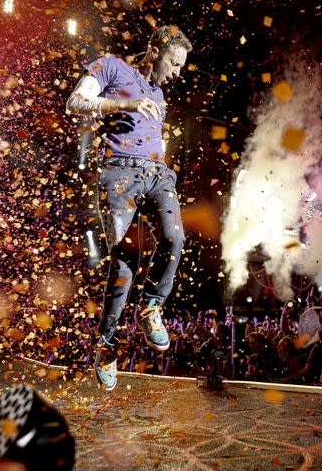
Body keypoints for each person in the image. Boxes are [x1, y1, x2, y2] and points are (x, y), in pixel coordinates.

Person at [66, 25, 192, 390]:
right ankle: (106, 344)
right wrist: (125, 103)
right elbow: (75, 103)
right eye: (175, 62)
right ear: (155, 48)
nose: (178, 72)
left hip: (158, 174)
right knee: (126, 261)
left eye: (182, 66)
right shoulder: (112, 67)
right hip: (119, 173)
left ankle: (152, 305)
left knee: (174, 238)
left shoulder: (159, 93)